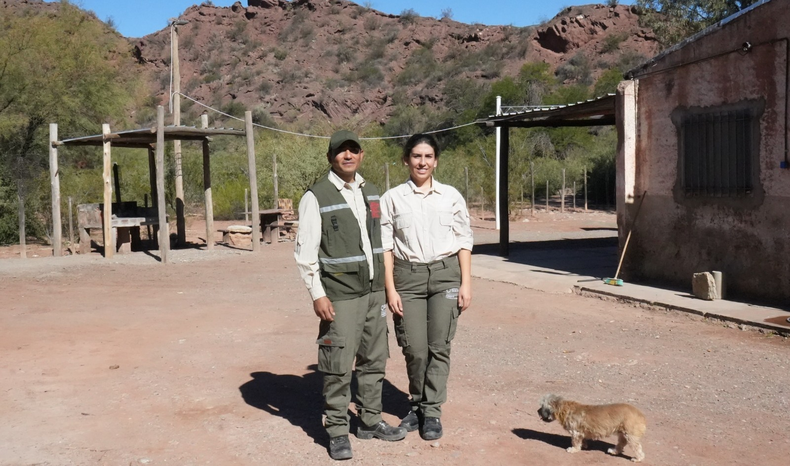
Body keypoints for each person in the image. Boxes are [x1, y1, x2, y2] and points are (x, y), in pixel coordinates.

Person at [294, 130, 406, 461]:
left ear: (361, 156)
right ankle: (338, 431)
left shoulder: (371, 192)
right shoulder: (317, 196)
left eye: (353, 150)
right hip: (340, 296)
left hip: (373, 295)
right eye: (341, 151)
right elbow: (305, 253)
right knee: (338, 366)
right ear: (331, 157)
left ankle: (370, 421)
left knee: (373, 362)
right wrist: (317, 293)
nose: (348, 156)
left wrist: (387, 288)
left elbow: (381, 242)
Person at [380, 133, 473, 441]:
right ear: (406, 160)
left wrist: (466, 283)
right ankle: (418, 404)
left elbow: (464, 241)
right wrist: (390, 289)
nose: (422, 162)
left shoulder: (451, 196)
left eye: (428, 156)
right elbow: (386, 247)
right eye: (417, 156)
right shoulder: (392, 198)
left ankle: (430, 411)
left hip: (446, 275)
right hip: (408, 278)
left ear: (436, 161)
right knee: (415, 349)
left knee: (439, 347)